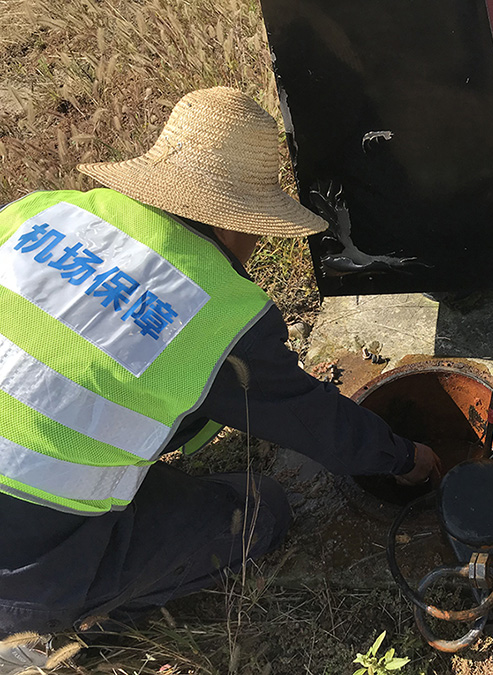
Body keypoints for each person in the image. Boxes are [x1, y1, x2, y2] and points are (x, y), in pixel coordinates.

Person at [0, 86, 440, 636]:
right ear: (236, 221)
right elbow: (308, 416)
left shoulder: (36, 211)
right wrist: (404, 459)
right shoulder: (217, 311)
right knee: (258, 511)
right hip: (18, 559)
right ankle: (48, 624)